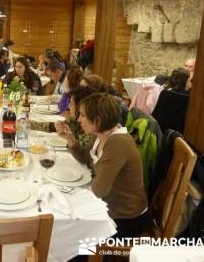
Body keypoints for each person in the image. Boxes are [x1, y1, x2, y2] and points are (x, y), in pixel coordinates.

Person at [59, 93, 148, 238]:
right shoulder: (102, 134)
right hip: (107, 207)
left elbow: (99, 190)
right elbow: (85, 159)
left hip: (124, 219)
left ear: (98, 120)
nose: (79, 119)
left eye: (82, 115)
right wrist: (70, 139)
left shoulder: (117, 144)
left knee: (66, 231)